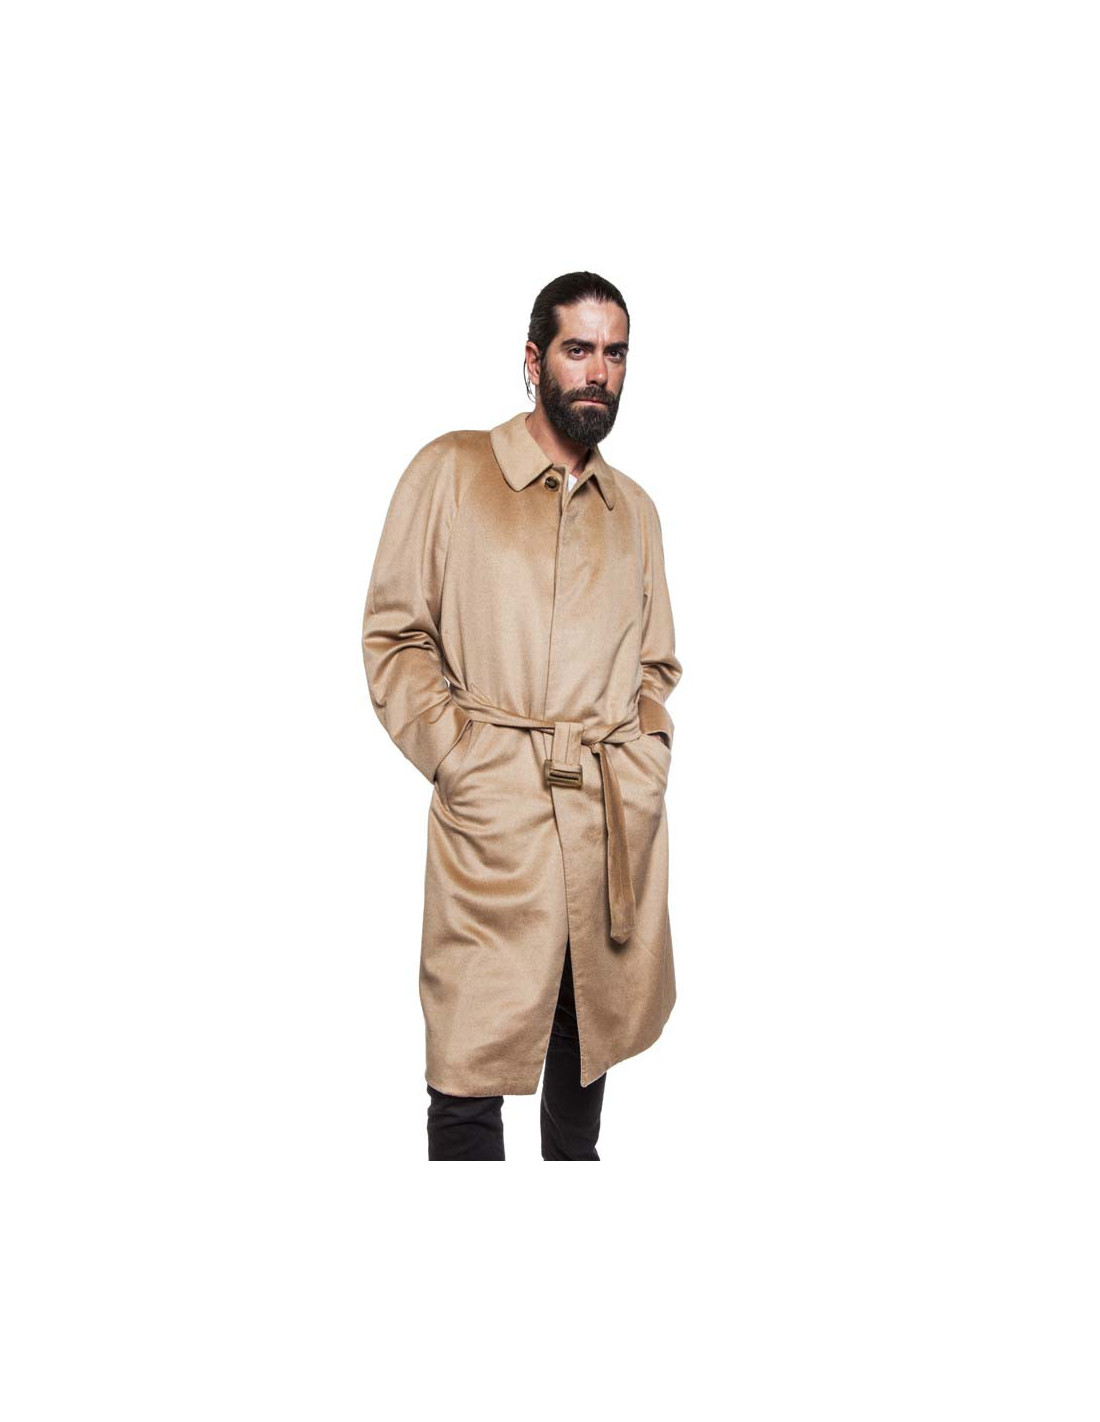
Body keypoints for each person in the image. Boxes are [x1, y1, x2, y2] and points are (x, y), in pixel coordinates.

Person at [361, 271, 683, 1160]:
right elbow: (395, 635)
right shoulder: (453, 471)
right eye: (579, 350)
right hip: (494, 825)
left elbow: (657, 664)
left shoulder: (635, 511)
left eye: (615, 353)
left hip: (607, 824)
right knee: (467, 1070)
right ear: (535, 361)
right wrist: (461, 758)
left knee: (586, 1052)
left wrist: (642, 762)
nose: (599, 372)